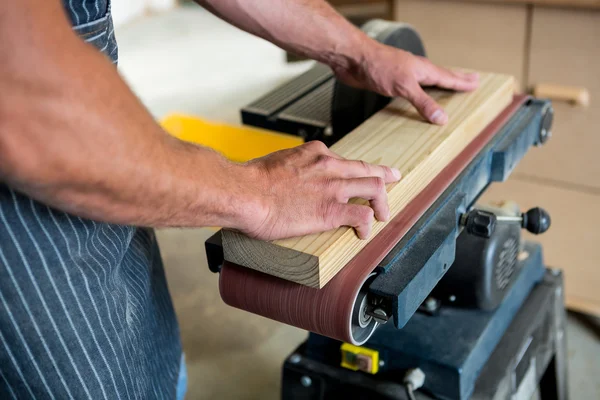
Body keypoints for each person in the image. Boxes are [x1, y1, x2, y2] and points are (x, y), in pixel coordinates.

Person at [0, 0, 479, 398]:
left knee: (149, 367)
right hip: (25, 255)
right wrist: (258, 195)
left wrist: (357, 53)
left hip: (105, 210)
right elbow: (25, 106)